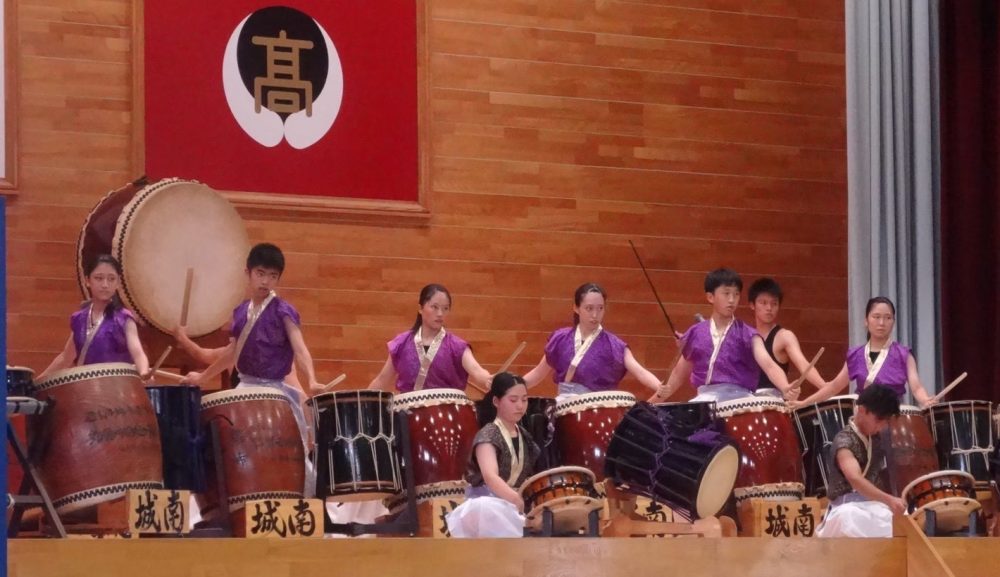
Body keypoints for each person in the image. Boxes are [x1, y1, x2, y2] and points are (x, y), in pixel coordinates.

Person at [181, 243, 320, 447]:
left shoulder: (284, 312)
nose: (265, 281)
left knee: (285, 451)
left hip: (275, 390)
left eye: (272, 276)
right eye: (260, 273)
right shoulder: (240, 312)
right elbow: (231, 353)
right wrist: (202, 377)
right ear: (248, 272)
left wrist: (312, 379)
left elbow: (300, 348)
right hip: (245, 388)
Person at [656, 268, 798, 403]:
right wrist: (650, 403)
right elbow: (677, 375)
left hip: (740, 402)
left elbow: (769, 365)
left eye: (736, 294)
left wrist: (785, 387)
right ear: (710, 297)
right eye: (726, 293)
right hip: (704, 402)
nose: (732, 300)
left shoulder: (748, 333)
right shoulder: (695, 333)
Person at [788, 296, 936, 409]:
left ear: (893, 322)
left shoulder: (904, 354)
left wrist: (925, 400)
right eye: (876, 317)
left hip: (893, 417)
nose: (881, 323)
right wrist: (804, 403)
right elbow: (833, 386)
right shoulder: (856, 355)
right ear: (866, 321)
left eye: (888, 318)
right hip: (863, 420)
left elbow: (916, 387)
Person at [522, 282, 662, 398]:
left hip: (598, 411)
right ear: (576, 308)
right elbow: (538, 373)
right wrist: (510, 386)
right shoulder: (560, 339)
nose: (595, 315)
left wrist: (660, 387)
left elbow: (639, 371)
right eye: (589, 308)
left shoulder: (614, 345)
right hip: (563, 410)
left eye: (600, 308)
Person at [447, 372, 539, 538]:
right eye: (513, 400)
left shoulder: (526, 436)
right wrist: (516, 499)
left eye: (524, 400)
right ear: (496, 401)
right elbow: (490, 476)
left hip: (517, 504)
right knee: (485, 507)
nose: (520, 406)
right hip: (492, 503)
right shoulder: (488, 434)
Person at [38, 254, 151, 379]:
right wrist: (38, 382)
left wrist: (144, 372)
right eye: (99, 278)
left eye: (111, 279)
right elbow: (66, 358)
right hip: (87, 391)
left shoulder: (124, 319)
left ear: (118, 283)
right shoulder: (80, 319)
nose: (105, 285)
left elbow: (138, 354)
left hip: (117, 391)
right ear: (87, 281)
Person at [816, 384, 904, 537]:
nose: (882, 426)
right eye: (879, 420)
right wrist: (889, 499)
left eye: (886, 422)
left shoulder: (876, 439)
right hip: (845, 507)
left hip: (872, 506)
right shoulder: (844, 440)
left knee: (902, 518)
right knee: (850, 518)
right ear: (862, 410)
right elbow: (855, 478)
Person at [368, 284, 491, 393]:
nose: (440, 314)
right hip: (407, 414)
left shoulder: (457, 346)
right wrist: (360, 402)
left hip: (447, 413)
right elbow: (382, 379)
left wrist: (489, 380)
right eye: (434, 307)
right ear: (421, 308)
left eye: (445, 308)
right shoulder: (401, 344)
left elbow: (477, 371)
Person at [747, 277, 826, 397]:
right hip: (747, 402)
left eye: (774, 303)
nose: (769, 308)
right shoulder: (747, 336)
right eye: (763, 303)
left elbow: (803, 364)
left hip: (775, 403)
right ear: (752, 305)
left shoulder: (784, 336)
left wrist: (825, 388)